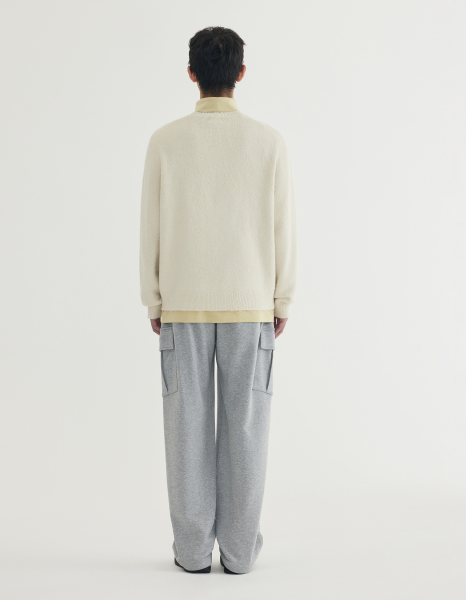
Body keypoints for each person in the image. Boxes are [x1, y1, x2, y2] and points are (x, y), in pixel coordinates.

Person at [139, 26, 297, 575]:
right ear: (241, 74)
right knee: (247, 430)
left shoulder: (164, 141)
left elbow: (151, 226)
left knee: (185, 429)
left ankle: (190, 553)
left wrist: (153, 299)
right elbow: (284, 227)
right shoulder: (269, 142)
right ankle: (238, 551)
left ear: (191, 74)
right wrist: (282, 298)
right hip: (250, 304)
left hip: (182, 304)